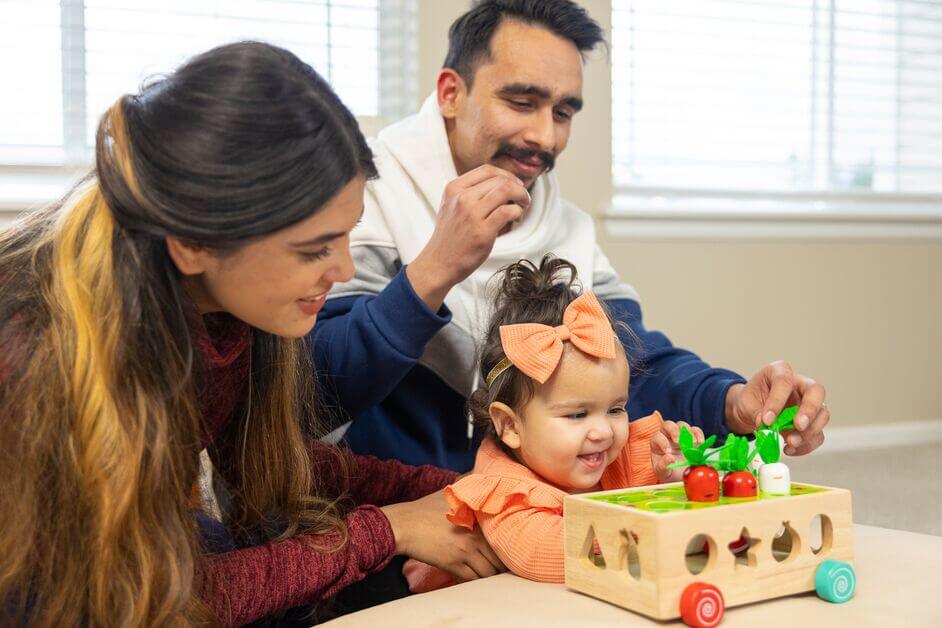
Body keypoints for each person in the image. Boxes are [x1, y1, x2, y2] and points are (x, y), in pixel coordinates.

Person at [0, 42, 502, 627]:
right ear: (192, 243)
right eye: (313, 249)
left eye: (345, 236)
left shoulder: (231, 308)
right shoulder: (39, 355)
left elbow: (277, 465)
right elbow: (156, 599)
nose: (342, 270)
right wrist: (388, 530)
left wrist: (467, 490)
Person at [312, 0, 829, 472]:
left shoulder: (567, 226)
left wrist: (729, 399)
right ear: (451, 94)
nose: (546, 137)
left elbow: (634, 364)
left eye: (563, 112)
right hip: (389, 501)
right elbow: (313, 388)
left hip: (531, 502)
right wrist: (435, 269)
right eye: (521, 102)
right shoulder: (366, 196)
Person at [403, 256, 706, 590]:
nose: (604, 431)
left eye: (616, 409)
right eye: (577, 415)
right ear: (511, 427)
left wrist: (675, 478)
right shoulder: (503, 493)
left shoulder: (609, 458)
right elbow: (558, 553)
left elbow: (660, 502)